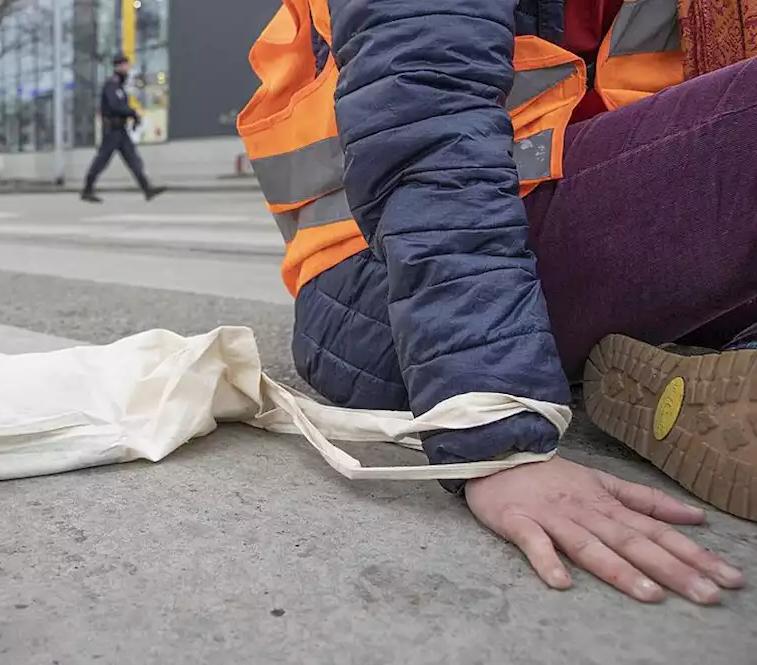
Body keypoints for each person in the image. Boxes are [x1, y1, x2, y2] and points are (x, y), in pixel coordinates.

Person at [238, 0, 753, 605]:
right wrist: (493, 427)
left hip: (534, 238)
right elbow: (429, 136)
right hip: (393, 288)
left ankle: (707, 361)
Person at [80, 55, 166, 203]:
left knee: (133, 159)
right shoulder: (111, 85)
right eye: (125, 66)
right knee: (101, 160)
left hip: (121, 130)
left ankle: (147, 189)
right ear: (118, 67)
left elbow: (122, 106)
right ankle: (87, 190)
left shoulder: (119, 86)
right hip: (111, 131)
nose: (127, 69)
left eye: (128, 65)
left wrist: (133, 116)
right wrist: (133, 112)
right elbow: (116, 105)